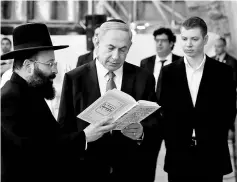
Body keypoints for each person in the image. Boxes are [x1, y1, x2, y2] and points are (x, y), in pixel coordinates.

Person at [1, 23, 115, 182]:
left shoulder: (29, 91)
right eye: (49, 64)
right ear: (28, 66)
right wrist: (84, 137)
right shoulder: (9, 98)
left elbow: (50, 137)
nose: (54, 70)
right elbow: (34, 150)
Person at [58, 19, 160, 182]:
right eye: (111, 48)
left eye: (123, 50)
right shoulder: (75, 78)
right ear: (97, 42)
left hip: (131, 171)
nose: (116, 56)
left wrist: (141, 133)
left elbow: (155, 124)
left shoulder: (143, 78)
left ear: (130, 47)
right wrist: (85, 136)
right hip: (87, 170)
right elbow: (64, 129)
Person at [159, 16, 236, 182]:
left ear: (205, 39)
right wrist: (171, 138)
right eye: (184, 39)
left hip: (212, 152)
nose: (188, 44)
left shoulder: (223, 72)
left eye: (194, 39)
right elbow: (162, 109)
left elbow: (229, 109)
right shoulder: (168, 72)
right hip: (178, 153)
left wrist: (217, 135)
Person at [140, 27, 181, 102]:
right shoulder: (145, 62)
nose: (159, 43)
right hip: (151, 104)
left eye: (163, 41)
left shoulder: (180, 62)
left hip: (174, 103)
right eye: (157, 40)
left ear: (171, 43)